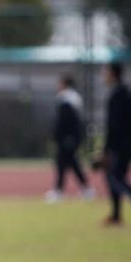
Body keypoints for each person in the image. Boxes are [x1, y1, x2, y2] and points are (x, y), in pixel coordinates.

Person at [98, 62, 131, 225]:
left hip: (118, 145)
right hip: (127, 143)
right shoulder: (128, 93)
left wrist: (106, 149)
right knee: (113, 176)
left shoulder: (116, 95)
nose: (103, 75)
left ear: (112, 73)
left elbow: (114, 125)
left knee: (115, 177)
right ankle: (116, 215)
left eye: (105, 72)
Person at [45, 75, 92, 203]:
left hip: (68, 137)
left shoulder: (67, 98)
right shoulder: (74, 98)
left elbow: (66, 121)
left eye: (59, 83)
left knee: (63, 162)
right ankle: (86, 189)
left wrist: (61, 135)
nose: (57, 86)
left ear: (65, 84)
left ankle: (59, 191)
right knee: (71, 162)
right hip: (71, 137)